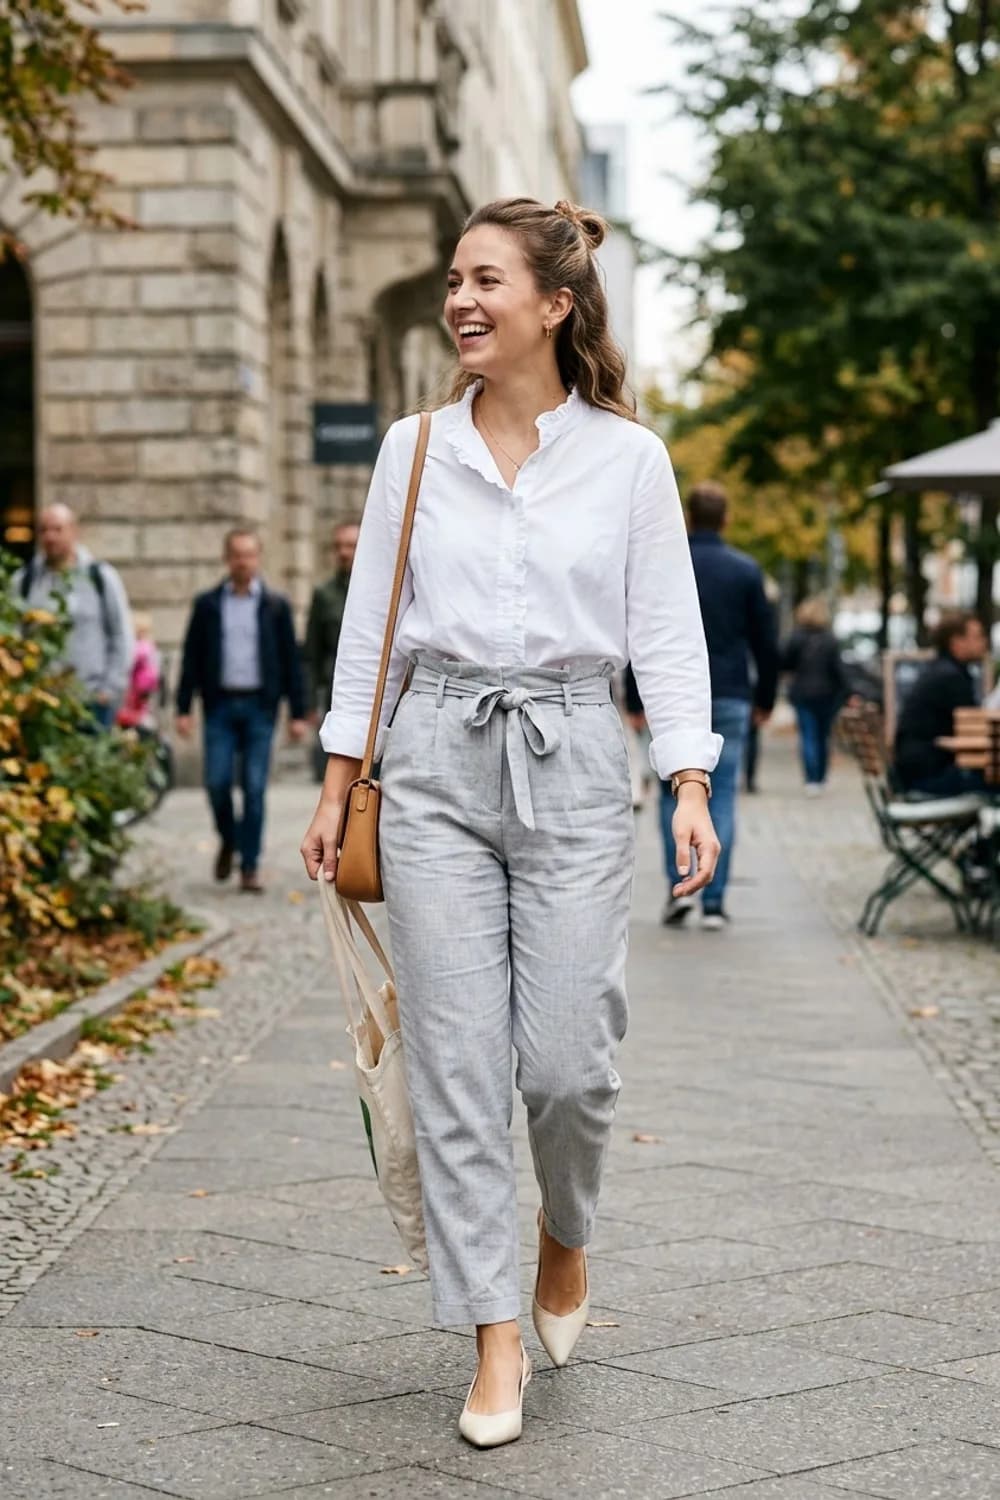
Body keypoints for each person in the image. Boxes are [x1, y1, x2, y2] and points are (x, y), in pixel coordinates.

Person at [300, 197, 721, 1450]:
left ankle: (565, 1235)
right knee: (458, 1066)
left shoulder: (630, 461)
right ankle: (490, 1332)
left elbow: (665, 634)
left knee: (568, 1066)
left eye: (487, 280)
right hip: (431, 764)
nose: (462, 302)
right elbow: (371, 626)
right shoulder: (412, 449)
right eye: (452, 281)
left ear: (555, 304)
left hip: (580, 758)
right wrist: (337, 783)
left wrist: (688, 779)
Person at [639, 480, 778, 930]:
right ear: (726, 518)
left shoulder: (669, 563)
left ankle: (678, 887)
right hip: (731, 693)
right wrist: (766, 697)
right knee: (722, 797)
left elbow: (641, 628)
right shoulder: (745, 570)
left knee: (670, 793)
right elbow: (765, 640)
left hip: (668, 697)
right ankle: (714, 900)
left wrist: (635, 695)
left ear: (689, 516)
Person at [177, 527, 307, 892]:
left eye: (249, 554)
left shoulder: (275, 605)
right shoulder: (208, 605)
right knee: (217, 783)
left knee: (253, 788)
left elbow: (290, 662)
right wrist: (183, 707)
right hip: (218, 706)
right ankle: (230, 839)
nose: (243, 561)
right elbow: (191, 657)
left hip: (260, 708)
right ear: (226, 558)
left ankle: (249, 866)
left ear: (258, 558)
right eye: (236, 554)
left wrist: (298, 713)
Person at [13, 503, 133, 726]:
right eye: (44, 530)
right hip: (40, 705)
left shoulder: (101, 577)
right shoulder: (24, 582)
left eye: (57, 529)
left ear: (74, 531)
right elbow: (13, 638)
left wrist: (109, 690)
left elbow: (121, 635)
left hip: (92, 701)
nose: (50, 537)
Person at [894, 611, 989, 797]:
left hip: (915, 772)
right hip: (929, 776)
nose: (983, 642)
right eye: (977, 636)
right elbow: (974, 731)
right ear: (957, 642)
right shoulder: (950, 677)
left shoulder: (941, 670)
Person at [304, 518, 361, 781]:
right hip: (337, 693)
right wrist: (309, 702)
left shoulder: (384, 589)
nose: (344, 552)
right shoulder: (324, 594)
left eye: (350, 546)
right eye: (338, 546)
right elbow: (312, 652)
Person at [781, 596, 851, 795]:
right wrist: (848, 692)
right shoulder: (830, 639)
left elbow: (785, 663)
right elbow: (838, 669)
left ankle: (811, 779)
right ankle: (821, 777)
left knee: (808, 735)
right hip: (827, 694)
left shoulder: (796, 638)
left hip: (803, 693)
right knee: (824, 736)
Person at [117, 613, 162, 731]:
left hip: (139, 686)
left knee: (136, 709)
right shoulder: (150, 645)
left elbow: (133, 658)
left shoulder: (141, 646)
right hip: (141, 687)